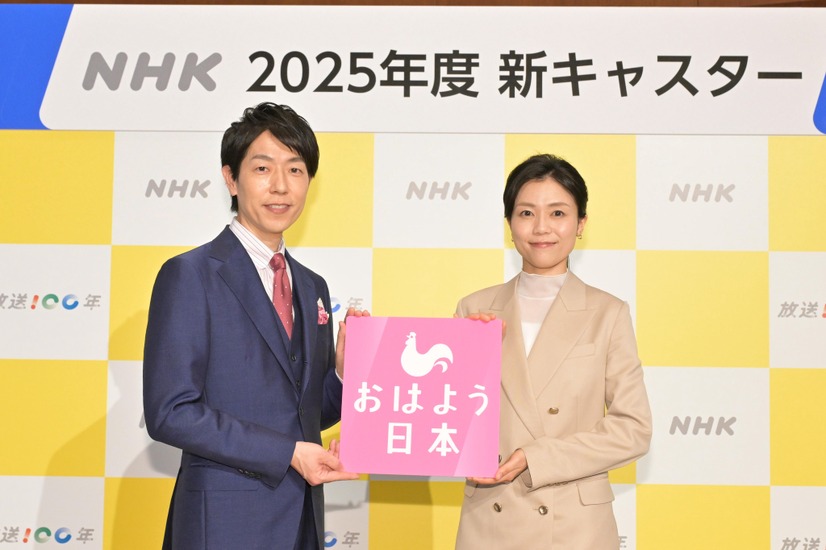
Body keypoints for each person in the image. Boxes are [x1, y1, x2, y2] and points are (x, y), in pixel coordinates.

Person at [143, 102, 366, 550]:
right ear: (231, 179)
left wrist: (343, 373)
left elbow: (305, 414)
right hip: (223, 525)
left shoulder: (312, 286)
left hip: (301, 523)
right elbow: (170, 412)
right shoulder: (190, 275)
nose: (281, 185)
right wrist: (287, 454)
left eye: (295, 170)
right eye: (263, 168)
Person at [454, 154, 652, 549]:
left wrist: (538, 457)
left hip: (574, 526)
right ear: (509, 223)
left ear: (581, 224)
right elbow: (448, 418)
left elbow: (633, 430)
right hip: (490, 520)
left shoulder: (608, 313)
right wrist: (467, 358)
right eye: (526, 213)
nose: (541, 227)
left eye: (558, 213)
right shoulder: (474, 309)